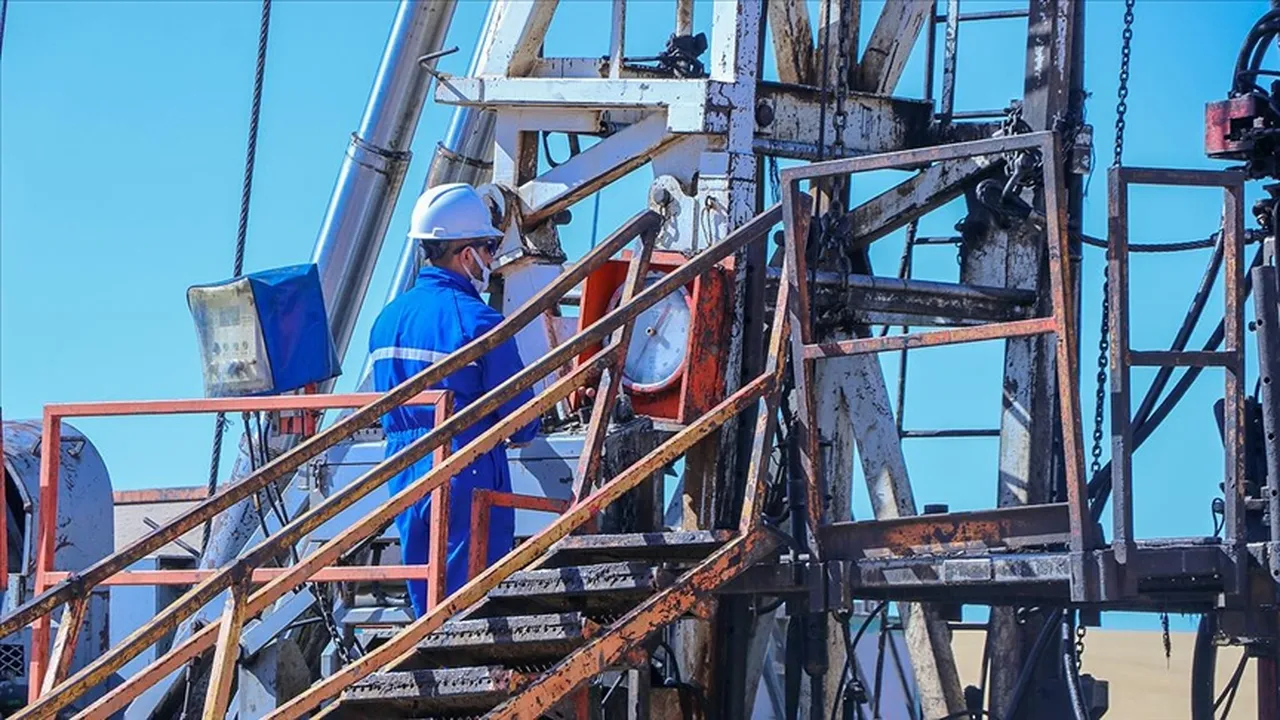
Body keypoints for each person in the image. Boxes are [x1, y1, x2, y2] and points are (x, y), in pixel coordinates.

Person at [369, 183, 540, 618]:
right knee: (471, 604)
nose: (491, 259)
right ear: (466, 255)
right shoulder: (478, 321)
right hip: (466, 466)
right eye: (487, 247)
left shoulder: (385, 321)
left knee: (426, 597)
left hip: (403, 466)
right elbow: (522, 422)